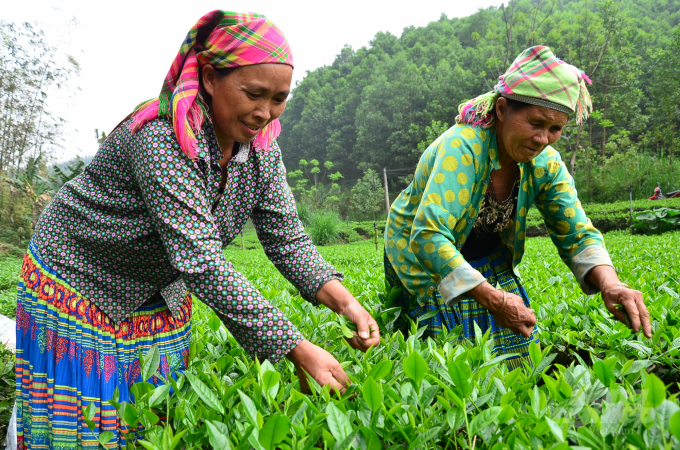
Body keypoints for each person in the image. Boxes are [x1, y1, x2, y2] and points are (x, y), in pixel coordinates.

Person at [15, 10, 379, 449]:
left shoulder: (261, 151)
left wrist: (347, 303)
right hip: (80, 278)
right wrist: (295, 347)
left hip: (157, 288)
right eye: (254, 94)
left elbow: (288, 239)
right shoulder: (159, 137)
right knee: (84, 426)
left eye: (279, 98)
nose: (265, 112)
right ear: (209, 78)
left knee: (152, 421)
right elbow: (201, 261)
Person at [384, 46, 651, 367]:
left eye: (555, 129)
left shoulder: (545, 163)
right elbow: (429, 235)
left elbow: (577, 233)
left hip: (485, 249)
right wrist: (495, 300)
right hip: (420, 253)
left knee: (518, 352)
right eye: (535, 122)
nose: (543, 138)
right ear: (501, 109)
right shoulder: (462, 147)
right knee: (444, 356)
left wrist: (611, 284)